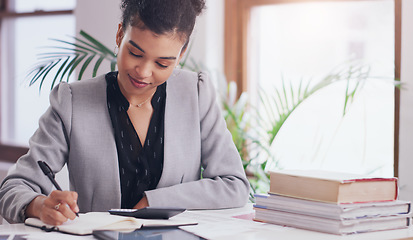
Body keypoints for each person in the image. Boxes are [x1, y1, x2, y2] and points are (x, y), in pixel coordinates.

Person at [0, 0, 249, 225]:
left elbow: (234, 184)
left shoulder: (195, 93)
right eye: (135, 53)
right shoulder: (72, 101)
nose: (143, 71)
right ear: (120, 35)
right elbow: (13, 188)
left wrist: (157, 201)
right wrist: (39, 205)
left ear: (181, 55)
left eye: (162, 63)